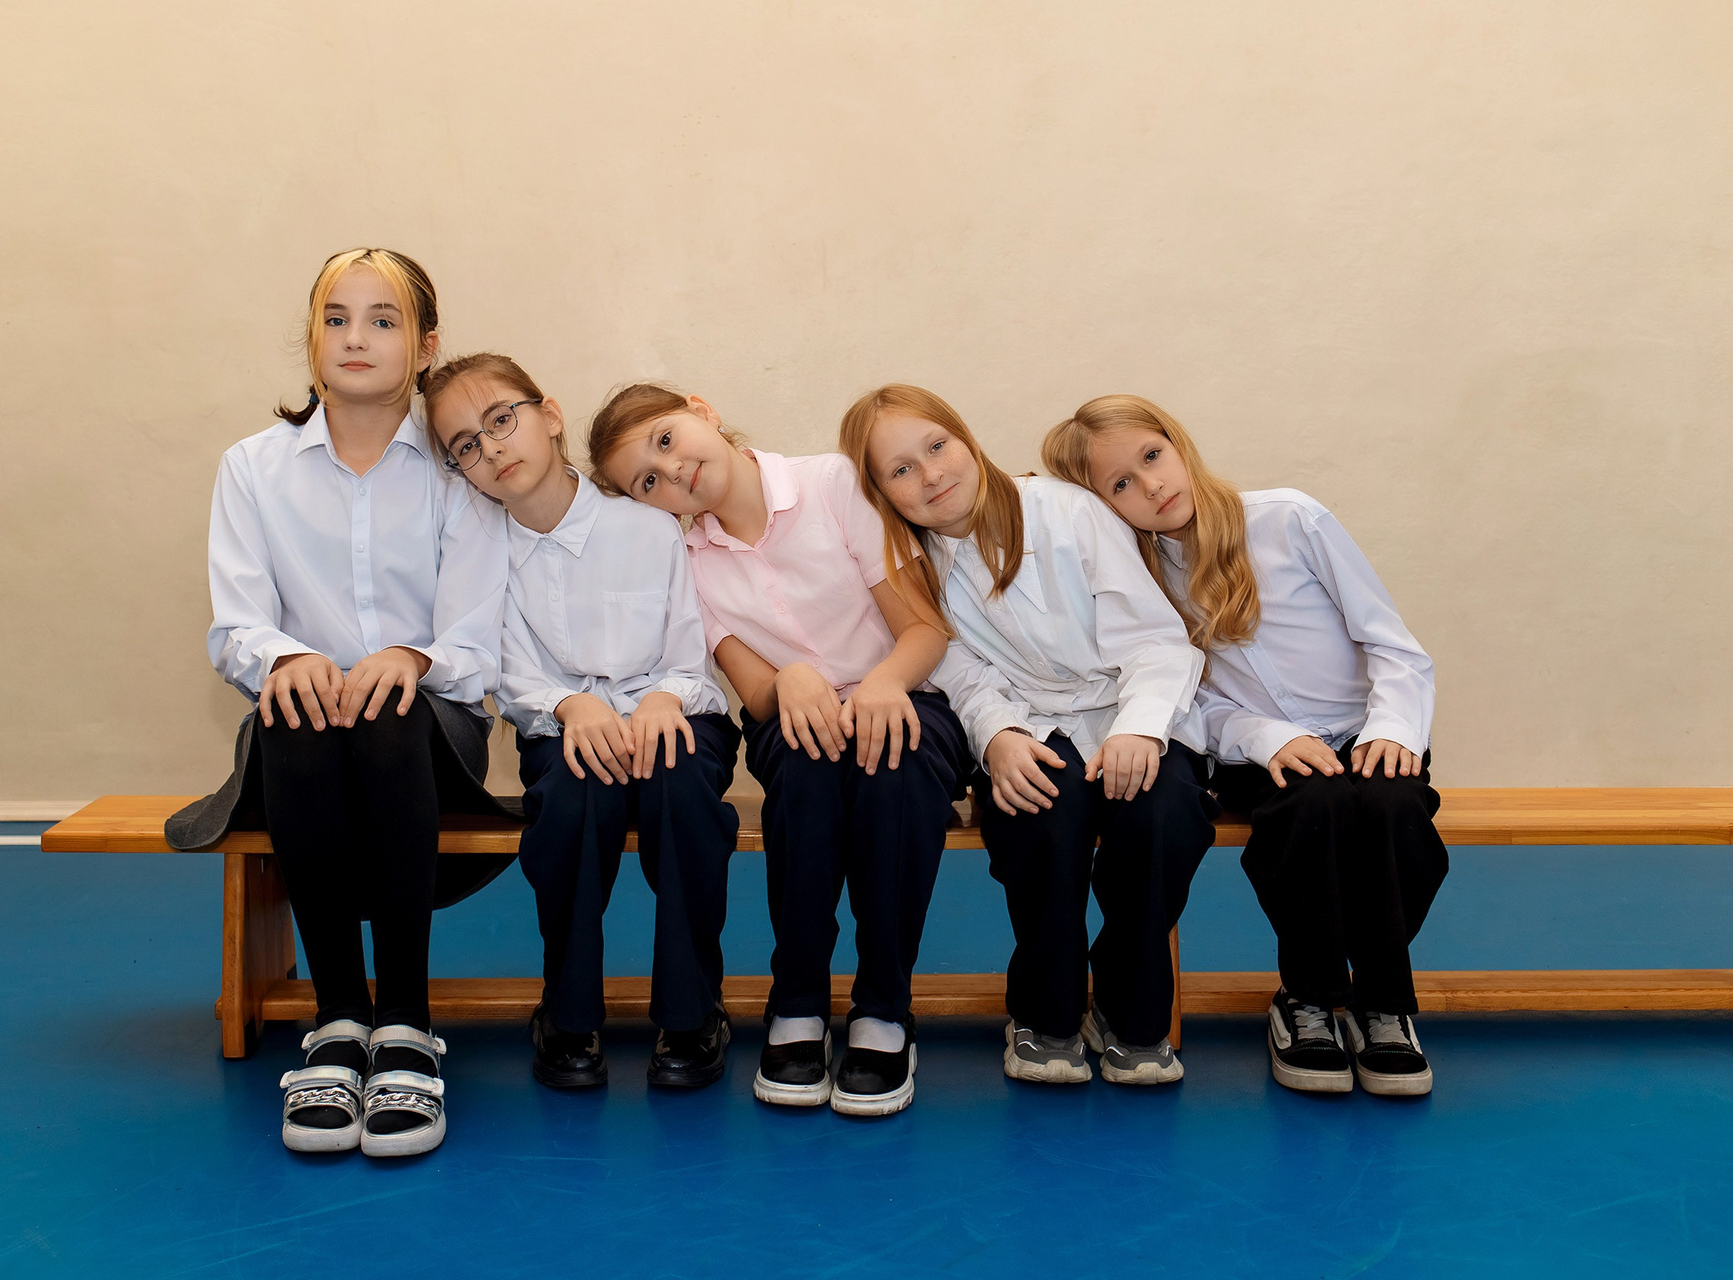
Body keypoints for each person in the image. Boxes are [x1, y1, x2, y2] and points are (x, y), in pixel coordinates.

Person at [170, 249, 510, 1155]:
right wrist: (287, 662)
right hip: (305, 743)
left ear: (426, 345)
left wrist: (409, 657)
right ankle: (337, 1021)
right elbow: (236, 628)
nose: (356, 337)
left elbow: (476, 643)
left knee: (385, 711)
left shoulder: (459, 473)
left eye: (383, 320)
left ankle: (405, 1025)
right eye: (336, 318)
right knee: (302, 708)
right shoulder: (252, 468)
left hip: (430, 736)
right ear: (313, 337)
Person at [1046, 393, 1444, 1097]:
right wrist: (1269, 737)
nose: (1151, 486)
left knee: (1392, 810)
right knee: (1312, 807)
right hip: (1257, 752)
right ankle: (1308, 999)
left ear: (1177, 442)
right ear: (1103, 506)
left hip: (1365, 730)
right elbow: (1190, 699)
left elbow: (1390, 643)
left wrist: (1391, 729)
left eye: (1152, 456)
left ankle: (1382, 1003)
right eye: (1121, 484)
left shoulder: (1290, 519)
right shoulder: (1139, 578)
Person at [591, 385, 970, 1117]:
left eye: (666, 441)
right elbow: (753, 689)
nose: (673, 473)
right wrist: (790, 678)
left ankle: (884, 1009)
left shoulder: (832, 483)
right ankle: (797, 1001)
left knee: (896, 765)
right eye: (647, 482)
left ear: (702, 409)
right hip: (794, 716)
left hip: (903, 690)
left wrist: (881, 684)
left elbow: (924, 629)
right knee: (804, 770)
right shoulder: (688, 561)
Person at [846, 384, 1217, 1087]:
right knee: (1040, 810)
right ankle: (1045, 1014)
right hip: (1028, 722)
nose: (931, 474)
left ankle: (1129, 1010)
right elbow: (961, 673)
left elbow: (1155, 638)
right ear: (881, 493)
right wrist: (998, 738)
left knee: (1163, 813)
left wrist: (1140, 729)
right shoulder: (913, 569)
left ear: (965, 437)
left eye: (937, 446)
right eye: (901, 470)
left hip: (1128, 707)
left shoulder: (1066, 510)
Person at [424, 353, 741, 1090]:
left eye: (501, 420)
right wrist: (568, 706)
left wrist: (664, 698)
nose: (491, 448)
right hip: (560, 726)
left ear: (548, 415)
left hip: (673, 711)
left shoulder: (648, 525)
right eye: (466, 445)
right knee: (571, 799)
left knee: (682, 789)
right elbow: (504, 668)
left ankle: (692, 1011)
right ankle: (569, 1014)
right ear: (458, 469)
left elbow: (690, 649)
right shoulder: (481, 551)